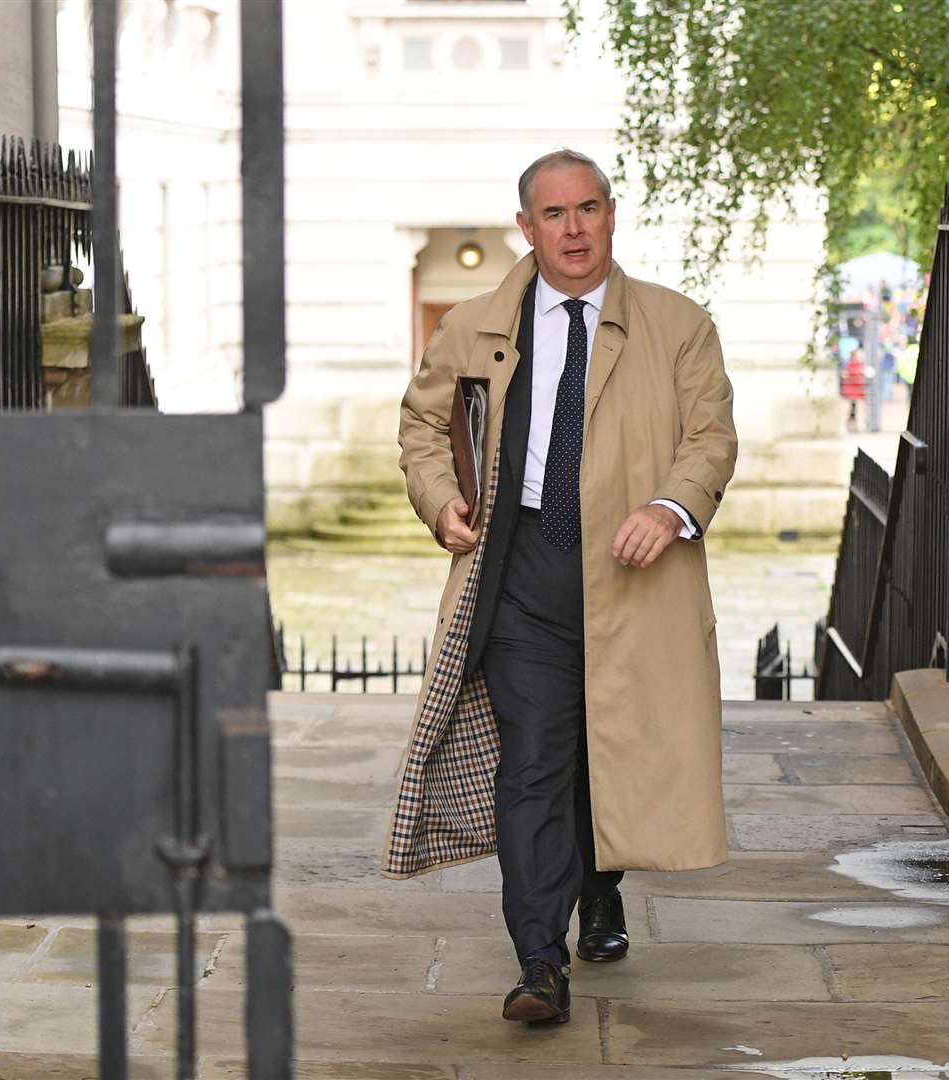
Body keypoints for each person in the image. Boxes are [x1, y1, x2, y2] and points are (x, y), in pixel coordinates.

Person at [386, 149, 737, 1027]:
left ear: (612, 216)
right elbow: (423, 425)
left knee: (607, 743)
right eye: (555, 214)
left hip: (632, 569)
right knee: (536, 759)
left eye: (588, 209)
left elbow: (712, 438)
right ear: (526, 227)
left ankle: (600, 885)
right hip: (521, 569)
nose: (574, 229)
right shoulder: (472, 323)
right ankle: (539, 959)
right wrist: (440, 503)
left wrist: (671, 504)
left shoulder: (679, 324)